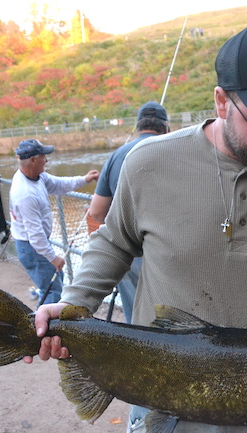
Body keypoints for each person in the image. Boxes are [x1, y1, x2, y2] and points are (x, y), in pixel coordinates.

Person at [26, 21, 247, 433]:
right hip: (159, 387)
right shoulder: (148, 163)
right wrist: (73, 306)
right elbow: (113, 242)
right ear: (221, 102)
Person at [88, 101, 170, 324]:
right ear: (167, 128)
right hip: (169, 253)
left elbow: (96, 211)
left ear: (138, 127)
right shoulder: (175, 151)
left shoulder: (117, 156)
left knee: (136, 314)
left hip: (129, 252)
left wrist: (122, 228)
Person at [9, 139, 99, 306]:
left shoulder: (37, 176)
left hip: (34, 246)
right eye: (44, 156)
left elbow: (58, 184)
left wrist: (85, 179)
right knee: (52, 293)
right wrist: (53, 257)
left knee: (53, 285)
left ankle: (43, 323)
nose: (47, 160)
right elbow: (35, 236)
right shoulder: (25, 193)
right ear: (33, 160)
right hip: (32, 248)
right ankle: (40, 329)